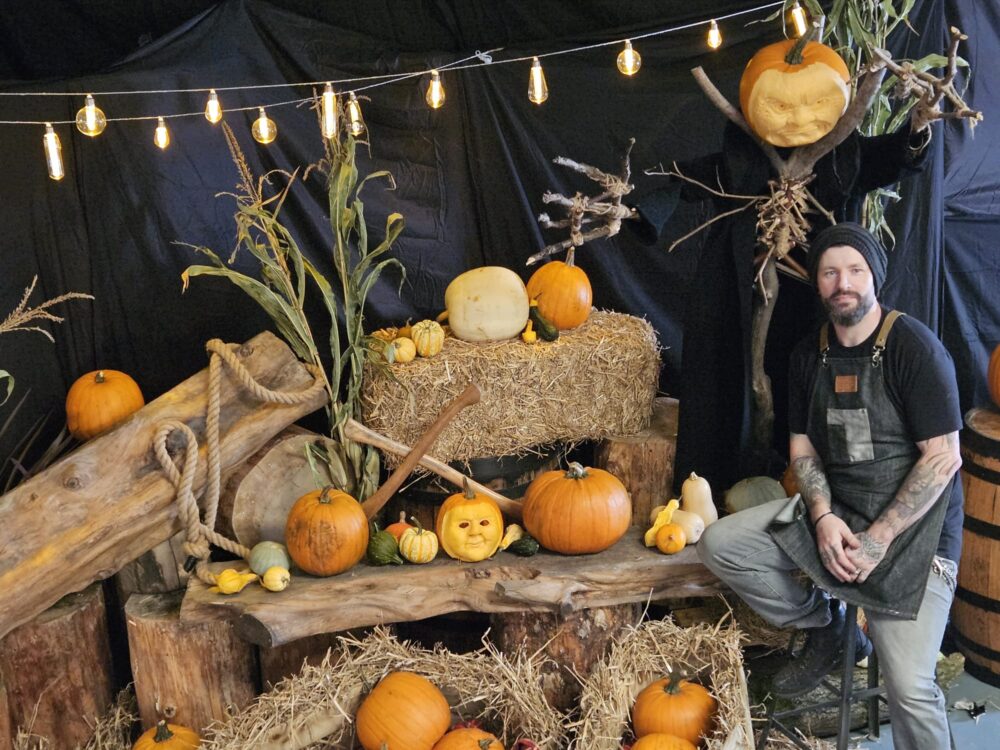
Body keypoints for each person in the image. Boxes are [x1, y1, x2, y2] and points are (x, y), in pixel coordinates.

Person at [697, 222, 963, 750]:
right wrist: (821, 518)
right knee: (720, 544)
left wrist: (879, 539)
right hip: (837, 514)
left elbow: (943, 458)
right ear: (818, 283)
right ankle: (829, 623)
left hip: (914, 537)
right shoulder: (807, 355)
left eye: (855, 271)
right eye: (830, 272)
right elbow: (803, 452)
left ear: (874, 279)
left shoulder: (914, 348)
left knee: (910, 687)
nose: (844, 283)